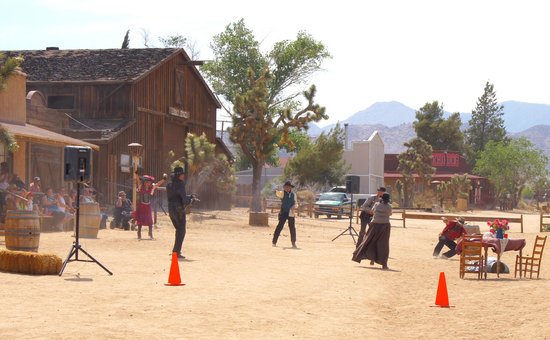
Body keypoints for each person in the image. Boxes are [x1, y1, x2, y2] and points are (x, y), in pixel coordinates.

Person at [352, 192, 393, 270]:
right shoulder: (389, 206)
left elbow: (373, 212)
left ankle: (359, 256)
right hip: (385, 225)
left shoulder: (377, 204)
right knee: (383, 245)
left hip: (374, 224)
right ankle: (384, 265)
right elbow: (390, 214)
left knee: (368, 240)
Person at [166, 166, 193, 258]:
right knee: (182, 231)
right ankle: (176, 252)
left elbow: (175, 196)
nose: (183, 176)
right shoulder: (180, 184)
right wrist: (190, 200)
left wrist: (188, 197)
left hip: (170, 209)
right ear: (178, 175)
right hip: (178, 209)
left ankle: (176, 251)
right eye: (182, 174)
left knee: (178, 229)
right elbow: (184, 200)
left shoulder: (169, 184)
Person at [134, 173, 166, 240]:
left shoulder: (151, 188)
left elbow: (157, 184)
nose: (149, 183)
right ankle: (139, 234)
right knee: (140, 220)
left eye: (150, 182)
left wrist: (163, 179)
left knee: (149, 220)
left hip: (147, 206)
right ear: (145, 182)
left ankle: (150, 233)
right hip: (141, 206)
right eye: (148, 182)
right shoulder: (141, 187)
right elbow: (138, 180)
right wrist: (136, 174)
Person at [272, 181, 297, 248]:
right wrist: (276, 189)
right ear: (284, 187)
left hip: (291, 213)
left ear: (290, 188)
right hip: (284, 212)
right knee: (279, 226)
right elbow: (278, 194)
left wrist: (294, 206)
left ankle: (293, 243)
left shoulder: (293, 194)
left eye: (288, 187)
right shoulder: (282, 193)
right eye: (286, 187)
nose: (287, 188)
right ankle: (274, 242)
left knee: (292, 228)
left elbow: (296, 203)